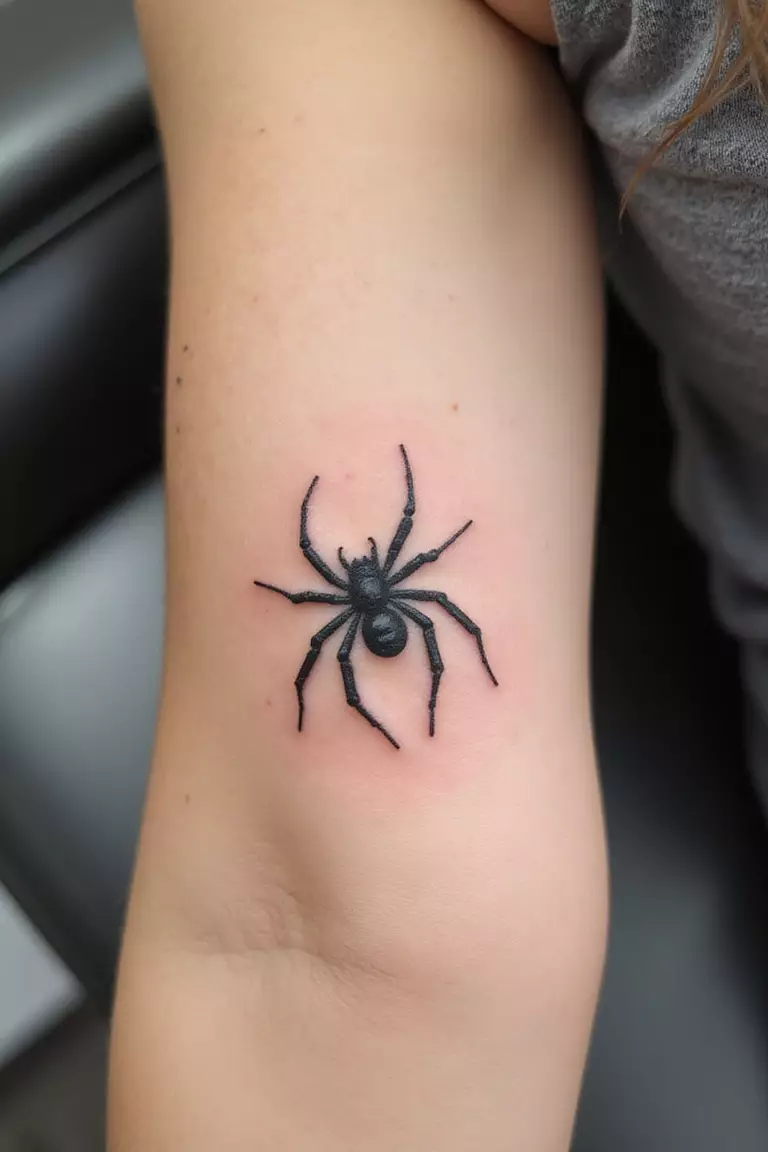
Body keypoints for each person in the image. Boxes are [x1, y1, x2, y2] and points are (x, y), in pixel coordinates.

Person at [108, 1, 766, 1148]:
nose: (363, 572)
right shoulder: (378, 591)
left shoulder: (369, 583)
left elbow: (374, 574)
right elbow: (342, 933)